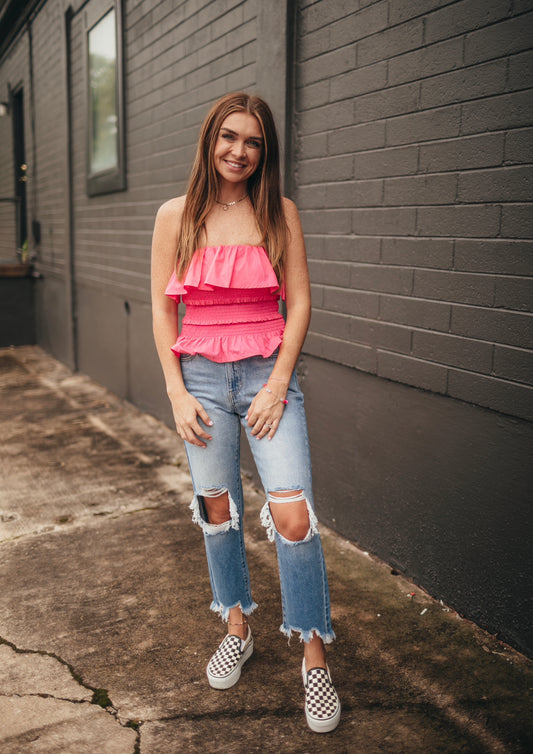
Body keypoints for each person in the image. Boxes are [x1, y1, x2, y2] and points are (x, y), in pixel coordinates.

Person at [151, 92, 340, 734]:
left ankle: (314, 655)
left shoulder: (277, 212)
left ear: (265, 152)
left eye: (253, 142)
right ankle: (237, 625)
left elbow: (303, 303)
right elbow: (161, 310)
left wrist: (277, 382)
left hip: (266, 375)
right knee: (216, 507)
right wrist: (177, 392)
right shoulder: (174, 216)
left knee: (292, 514)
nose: (239, 150)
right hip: (200, 378)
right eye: (228, 137)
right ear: (210, 140)